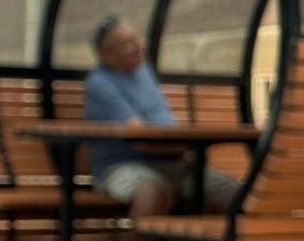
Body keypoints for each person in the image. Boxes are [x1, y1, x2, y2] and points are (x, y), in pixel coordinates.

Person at [84, 16, 238, 220]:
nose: (139, 46)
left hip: (172, 163)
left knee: (233, 193)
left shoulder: (144, 72)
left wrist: (184, 150)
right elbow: (139, 138)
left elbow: (161, 125)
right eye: (128, 44)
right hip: (121, 167)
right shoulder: (99, 84)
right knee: (153, 192)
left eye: (137, 39)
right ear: (107, 55)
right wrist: (185, 149)